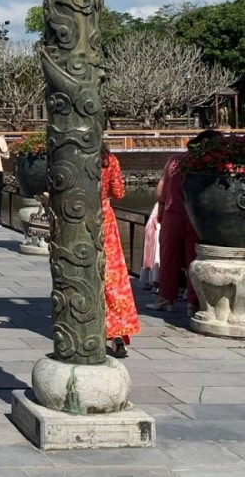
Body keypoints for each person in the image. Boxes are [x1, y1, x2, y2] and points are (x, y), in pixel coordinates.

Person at [148, 129, 222, 314]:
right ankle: (193, 302)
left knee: (169, 258)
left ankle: (166, 297)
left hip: (173, 213)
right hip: (196, 216)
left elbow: (163, 190)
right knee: (194, 259)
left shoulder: (176, 159)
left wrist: (161, 212)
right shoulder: (209, 163)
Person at [101, 146, 139, 357]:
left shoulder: (73, 155)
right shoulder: (109, 160)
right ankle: (117, 330)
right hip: (104, 218)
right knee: (113, 278)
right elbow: (119, 192)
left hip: (76, 221)